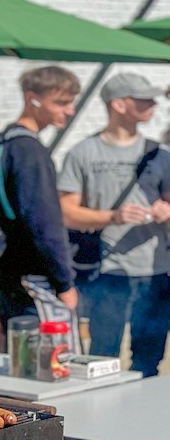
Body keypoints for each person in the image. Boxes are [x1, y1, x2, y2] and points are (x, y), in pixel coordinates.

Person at [58, 73, 170, 377]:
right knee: (100, 359)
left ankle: (142, 421)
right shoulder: (84, 152)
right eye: (143, 99)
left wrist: (165, 210)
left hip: (156, 272)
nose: (153, 104)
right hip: (106, 273)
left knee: (149, 362)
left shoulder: (160, 155)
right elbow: (66, 212)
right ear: (119, 105)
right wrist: (114, 217)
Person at [0, 66, 79, 335]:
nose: (69, 111)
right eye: (60, 102)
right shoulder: (30, 151)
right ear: (32, 99)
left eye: (71, 102)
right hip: (34, 277)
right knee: (47, 364)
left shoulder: (3, 142)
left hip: (7, 270)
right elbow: (44, 223)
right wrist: (65, 283)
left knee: (19, 358)